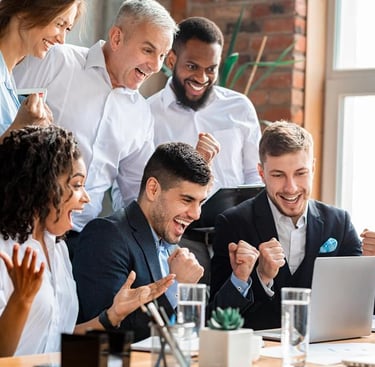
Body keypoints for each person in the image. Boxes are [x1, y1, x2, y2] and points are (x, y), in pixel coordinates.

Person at [13, 0, 178, 259]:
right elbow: (6, 113)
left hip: (84, 243)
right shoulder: (56, 60)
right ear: (116, 37)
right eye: (148, 50)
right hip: (22, 226)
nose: (155, 66)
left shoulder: (141, 114)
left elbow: (135, 193)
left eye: (161, 55)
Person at [0, 125, 174, 357]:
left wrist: (111, 316)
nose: (86, 198)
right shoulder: (4, 249)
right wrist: (20, 301)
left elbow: (57, 343)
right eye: (76, 185)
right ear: (42, 185)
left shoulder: (58, 247)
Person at [209, 120, 362, 330]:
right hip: (258, 353)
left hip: (323, 351)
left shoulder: (339, 223)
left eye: (301, 173)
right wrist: (260, 276)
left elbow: (363, 308)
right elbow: (217, 318)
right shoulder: (233, 223)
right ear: (262, 173)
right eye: (278, 175)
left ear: (313, 168)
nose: (291, 188)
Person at [146, 17, 262, 283]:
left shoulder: (240, 108)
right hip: (178, 245)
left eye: (211, 69)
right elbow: (139, 189)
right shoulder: (147, 114)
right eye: (192, 67)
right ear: (172, 60)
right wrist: (195, 165)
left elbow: (255, 176)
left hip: (236, 244)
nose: (202, 77)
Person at [72, 142, 212, 342]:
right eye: (187, 200)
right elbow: (109, 334)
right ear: (153, 189)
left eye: (201, 203)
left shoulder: (182, 247)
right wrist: (176, 287)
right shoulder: (106, 236)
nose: (196, 214)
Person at [0, 0, 86, 143]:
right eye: (59, 24)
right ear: (25, 11)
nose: (62, 39)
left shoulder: (8, 81)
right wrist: (20, 128)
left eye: (67, 29)